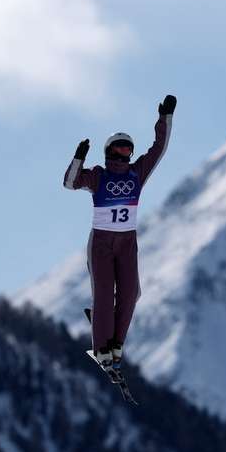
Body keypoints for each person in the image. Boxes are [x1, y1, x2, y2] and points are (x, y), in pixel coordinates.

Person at [63, 95, 176, 373]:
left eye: (130, 149)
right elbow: (70, 183)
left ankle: (115, 344)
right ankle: (101, 347)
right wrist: (78, 157)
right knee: (103, 294)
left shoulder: (137, 173)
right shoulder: (99, 176)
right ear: (110, 151)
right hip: (101, 240)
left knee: (130, 293)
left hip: (127, 241)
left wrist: (165, 119)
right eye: (122, 149)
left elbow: (158, 150)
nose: (127, 154)